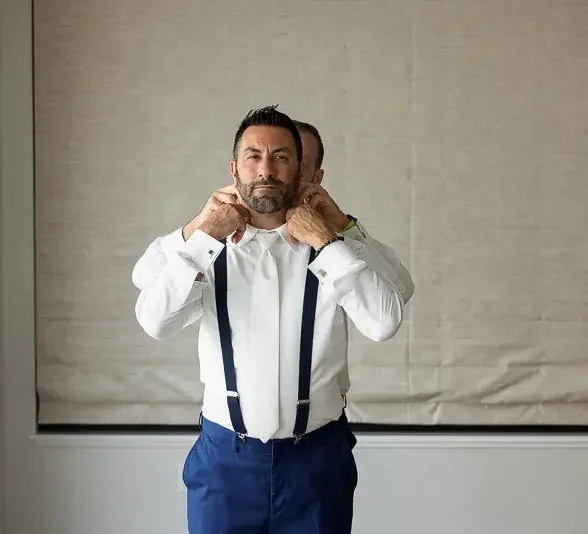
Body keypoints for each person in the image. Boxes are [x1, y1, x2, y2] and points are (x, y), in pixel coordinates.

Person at [132, 105, 412, 533]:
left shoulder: (332, 250)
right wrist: (202, 229)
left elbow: (385, 316)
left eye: (281, 158)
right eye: (254, 157)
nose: (266, 170)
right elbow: (154, 314)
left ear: (302, 172)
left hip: (317, 461)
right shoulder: (210, 248)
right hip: (225, 462)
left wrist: (330, 235)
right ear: (235, 168)